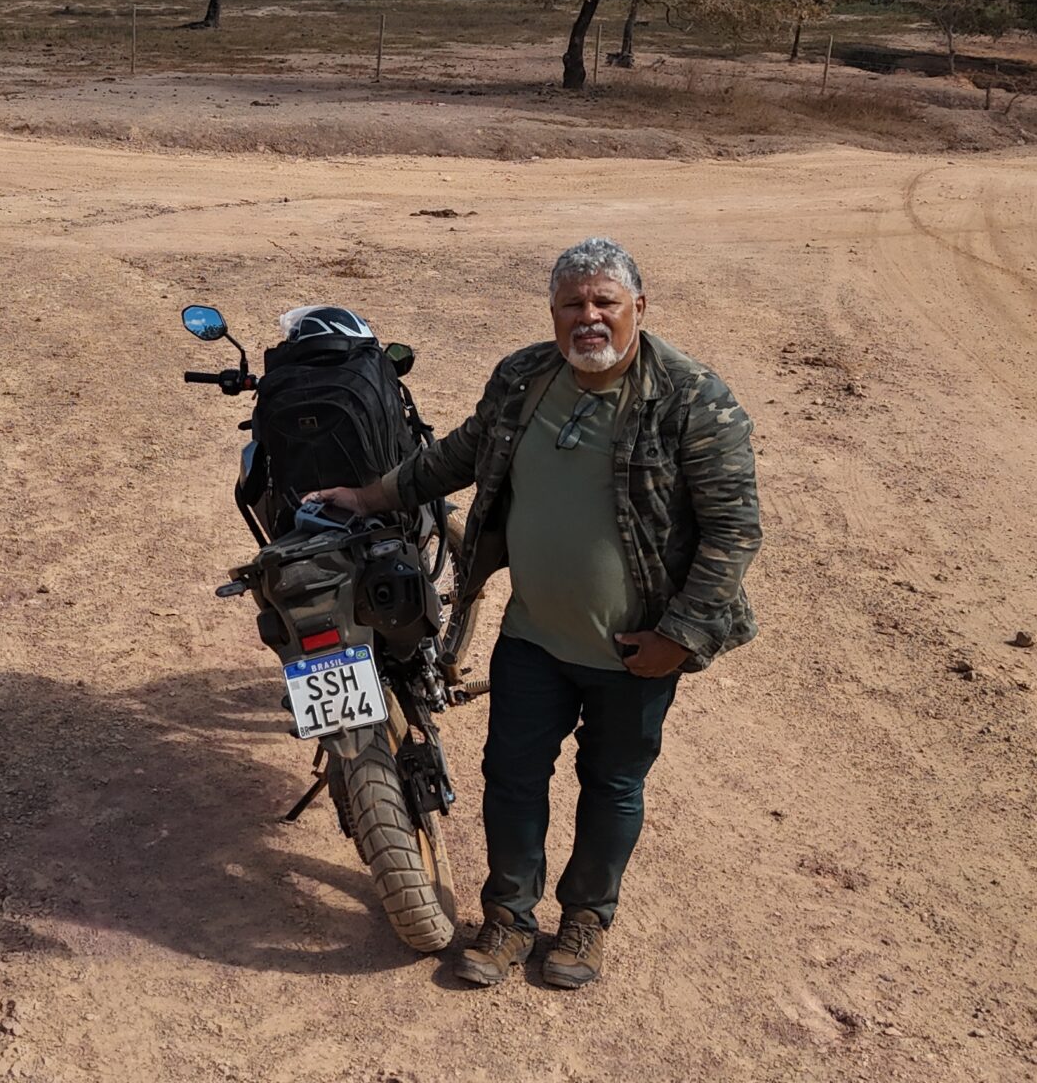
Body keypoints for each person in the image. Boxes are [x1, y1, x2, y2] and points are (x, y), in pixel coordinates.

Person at [305, 237, 759, 989]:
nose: (589, 318)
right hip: (533, 638)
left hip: (634, 647)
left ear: (638, 308)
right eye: (572, 304)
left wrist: (680, 637)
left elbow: (734, 529)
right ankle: (510, 917)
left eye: (605, 303)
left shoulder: (692, 397)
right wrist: (374, 495)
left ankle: (586, 918)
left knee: (613, 783)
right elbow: (455, 455)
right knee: (512, 777)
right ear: (553, 312)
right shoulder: (524, 377)